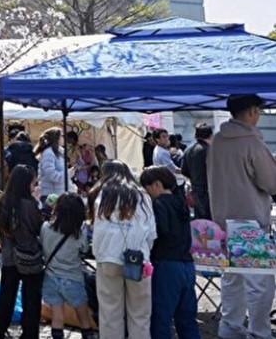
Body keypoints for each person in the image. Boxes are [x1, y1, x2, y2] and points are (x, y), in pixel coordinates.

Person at [207, 94, 276, 339]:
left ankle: (230, 329)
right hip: (251, 223)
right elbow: (271, 182)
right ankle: (258, 333)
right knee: (259, 284)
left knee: (232, 281)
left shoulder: (216, 141)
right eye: (258, 111)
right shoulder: (252, 143)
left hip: (222, 222)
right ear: (250, 112)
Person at [90, 160, 156, 339]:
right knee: (140, 314)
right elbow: (151, 233)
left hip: (108, 256)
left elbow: (98, 228)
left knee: (110, 314)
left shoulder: (103, 194)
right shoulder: (143, 195)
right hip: (138, 258)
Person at [139, 166, 199, 339]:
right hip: (187, 265)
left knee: (161, 319)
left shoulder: (157, 205)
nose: (146, 193)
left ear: (156, 184)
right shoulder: (180, 203)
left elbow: (158, 234)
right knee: (187, 319)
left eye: (147, 188)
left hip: (166, 265)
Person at [0, 165, 43, 339]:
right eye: (33, 183)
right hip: (29, 256)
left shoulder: (3, 202)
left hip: (9, 257)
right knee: (31, 299)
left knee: (6, 296)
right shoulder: (30, 205)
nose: (34, 187)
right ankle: (29, 334)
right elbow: (37, 228)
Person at [41, 192, 97, 339]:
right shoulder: (79, 234)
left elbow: (42, 245)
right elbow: (85, 249)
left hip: (50, 278)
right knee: (83, 315)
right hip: (73, 279)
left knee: (57, 316)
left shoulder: (46, 227)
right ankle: (88, 335)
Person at [180, 123, 212, 220]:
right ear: (210, 135)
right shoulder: (209, 150)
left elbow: (184, 171)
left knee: (200, 219)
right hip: (209, 189)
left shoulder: (188, 150)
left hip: (195, 188)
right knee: (210, 220)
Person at [36, 127, 66, 199]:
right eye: (61, 135)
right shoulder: (48, 153)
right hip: (50, 195)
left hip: (58, 193)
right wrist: (67, 174)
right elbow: (51, 175)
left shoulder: (59, 153)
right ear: (56, 138)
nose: (63, 137)